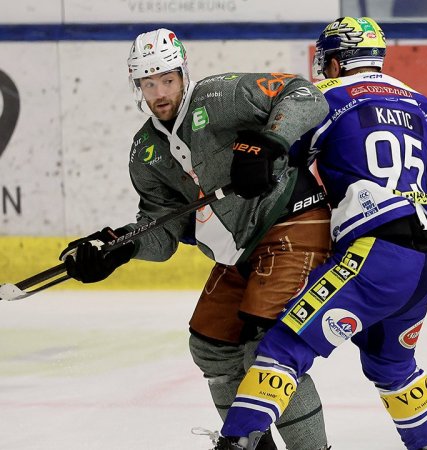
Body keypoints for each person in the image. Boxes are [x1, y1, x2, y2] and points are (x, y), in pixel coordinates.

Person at [58, 28, 332, 450]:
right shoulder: (145, 151)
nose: (159, 92)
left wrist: (269, 142)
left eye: (167, 79)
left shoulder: (219, 96)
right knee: (211, 344)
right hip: (242, 250)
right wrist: (119, 248)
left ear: (183, 75)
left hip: (290, 222)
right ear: (137, 87)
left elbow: (304, 95)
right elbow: (163, 230)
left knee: (267, 346)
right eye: (148, 84)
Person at [215, 17, 427, 450]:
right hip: (424, 263)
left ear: (334, 60)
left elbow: (283, 156)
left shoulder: (327, 96)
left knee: (284, 344)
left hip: (374, 257)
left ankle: (236, 442)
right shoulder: (420, 102)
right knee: (392, 365)